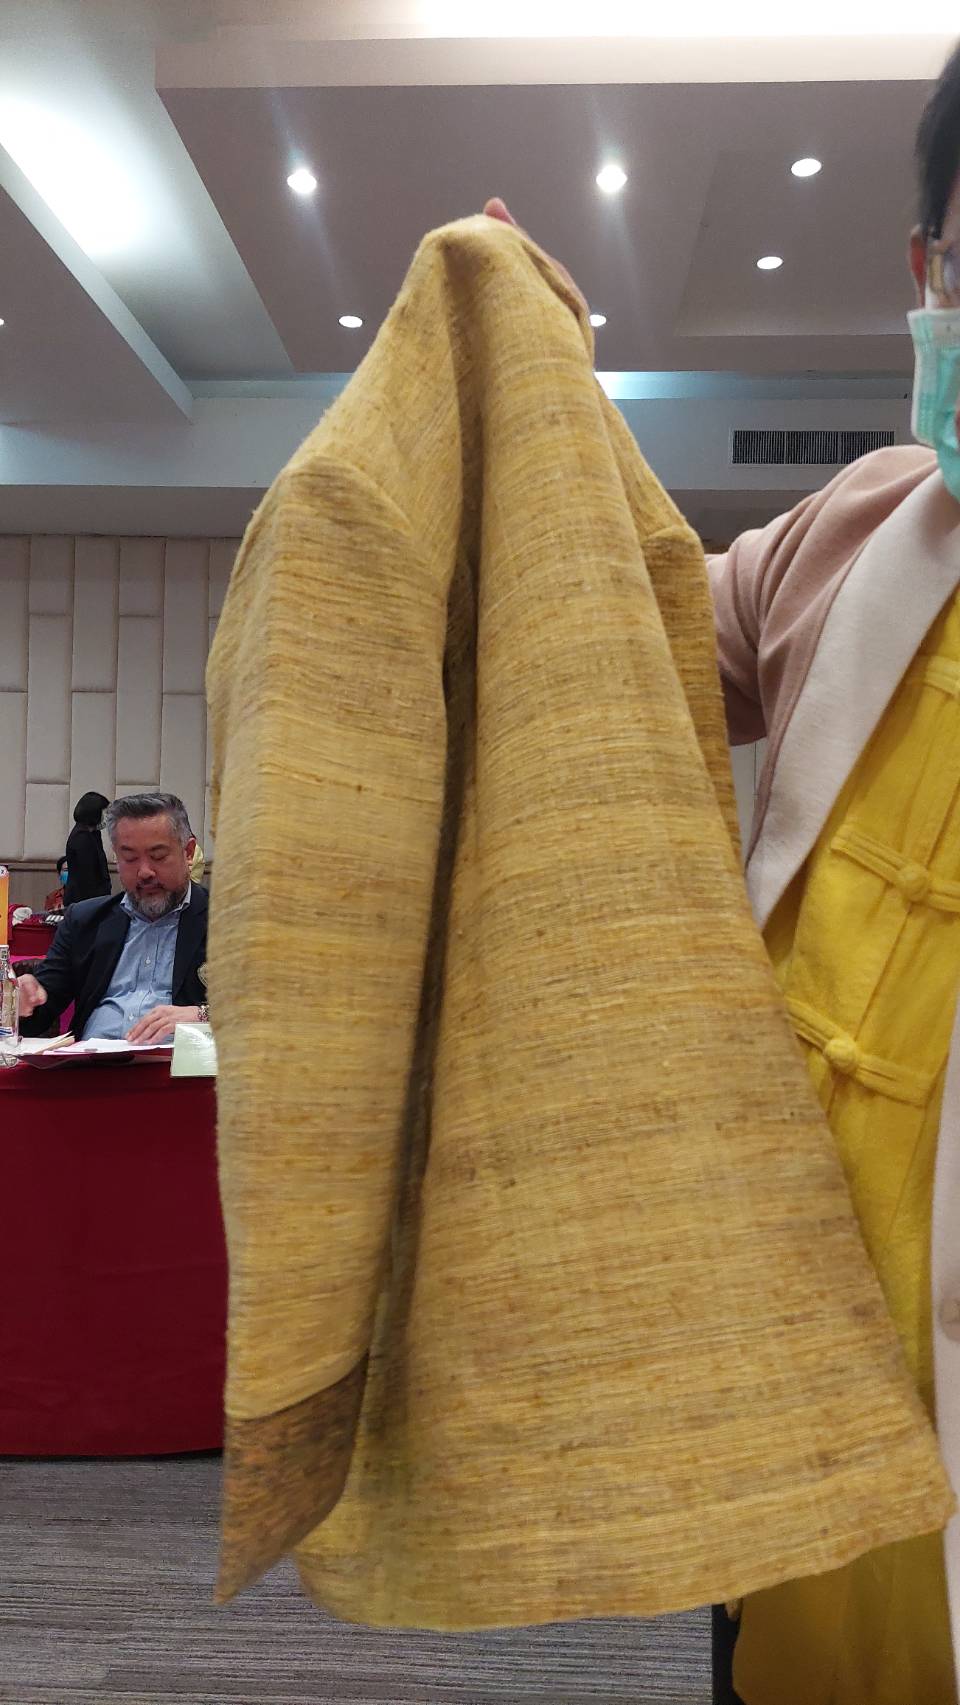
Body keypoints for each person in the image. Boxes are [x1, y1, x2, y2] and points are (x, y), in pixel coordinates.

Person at [486, 37, 960, 1705]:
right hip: (794, 1367)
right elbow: (605, 645)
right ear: (931, 271)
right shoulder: (861, 530)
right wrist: (532, 401)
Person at [17, 791, 209, 1046]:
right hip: (90, 1064)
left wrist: (203, 1015)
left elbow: (259, 1008)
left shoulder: (227, 921)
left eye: (158, 856)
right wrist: (22, 1000)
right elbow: (38, 1013)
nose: (145, 872)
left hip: (179, 1065)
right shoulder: (85, 920)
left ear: (188, 852)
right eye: (130, 858)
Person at [62, 791, 111, 908]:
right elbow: (87, 876)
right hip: (83, 900)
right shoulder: (81, 837)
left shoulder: (94, 834)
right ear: (94, 812)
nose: (106, 818)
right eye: (104, 813)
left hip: (95, 898)